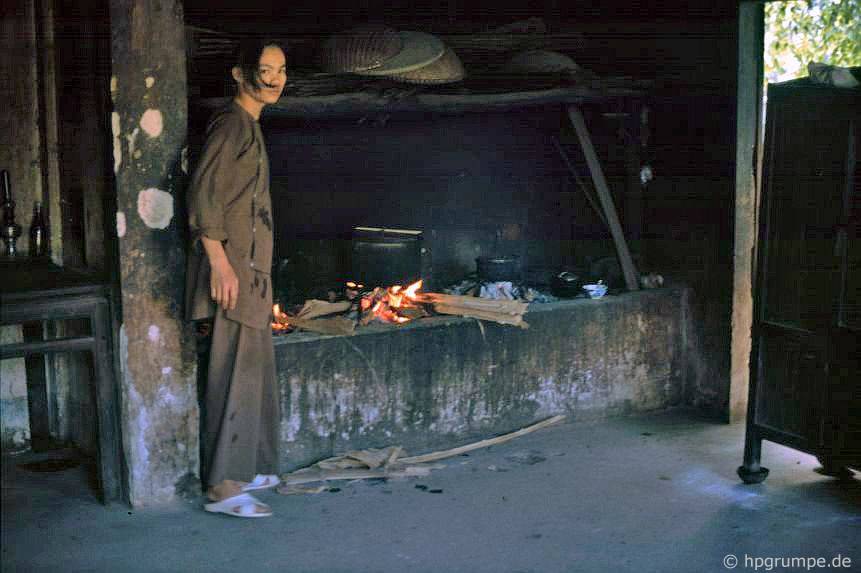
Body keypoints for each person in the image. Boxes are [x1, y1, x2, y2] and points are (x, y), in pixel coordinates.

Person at [185, 38, 287, 518]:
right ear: (239, 74)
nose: (275, 79)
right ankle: (223, 488)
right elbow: (203, 195)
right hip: (233, 270)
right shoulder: (230, 125)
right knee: (232, 372)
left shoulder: (250, 125)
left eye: (281, 70)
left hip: (253, 270)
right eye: (266, 69)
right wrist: (220, 263)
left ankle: (248, 467)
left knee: (254, 368)